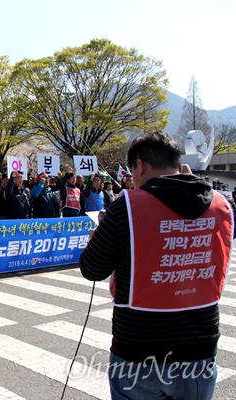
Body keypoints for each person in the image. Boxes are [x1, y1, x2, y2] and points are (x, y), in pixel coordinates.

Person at [79, 131, 234, 400]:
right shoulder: (222, 205)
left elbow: (92, 269)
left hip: (139, 349)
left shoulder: (125, 207)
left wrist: (97, 239)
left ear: (140, 165)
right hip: (201, 347)